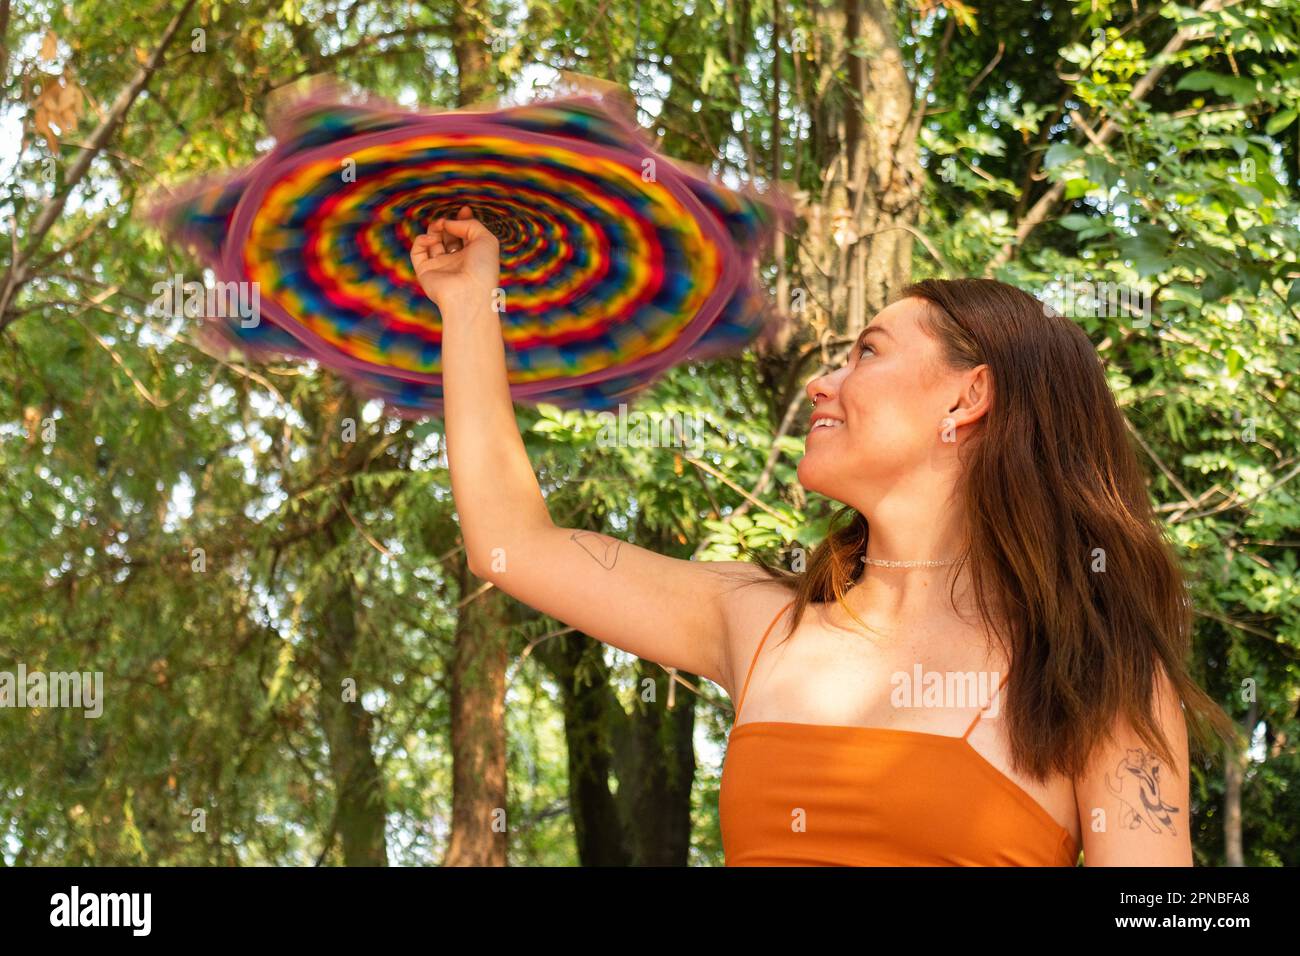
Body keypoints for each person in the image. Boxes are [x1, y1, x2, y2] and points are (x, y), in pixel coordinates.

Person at [410, 205, 1234, 866]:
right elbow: (511, 541)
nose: (821, 380)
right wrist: (468, 302)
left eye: (866, 352)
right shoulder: (762, 620)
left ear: (966, 399)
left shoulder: (1094, 669)